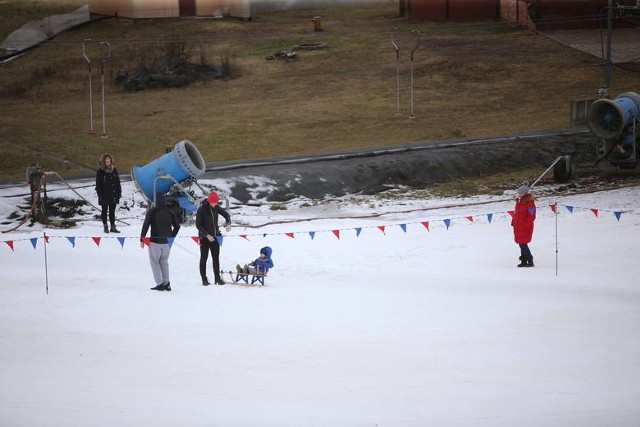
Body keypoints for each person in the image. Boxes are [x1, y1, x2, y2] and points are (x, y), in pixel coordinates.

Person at [140, 193, 181, 292]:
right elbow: (177, 226)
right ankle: (167, 283)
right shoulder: (170, 211)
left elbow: (146, 225)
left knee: (155, 263)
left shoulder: (152, 211)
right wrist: (171, 237)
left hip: (155, 241)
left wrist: (142, 238)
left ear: (155, 201)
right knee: (164, 262)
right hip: (167, 243)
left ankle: (159, 283)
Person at [196, 191, 231, 286]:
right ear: (209, 201)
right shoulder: (202, 209)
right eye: (214, 202)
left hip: (215, 236)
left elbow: (226, 215)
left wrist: (228, 223)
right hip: (204, 237)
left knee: (216, 258)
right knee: (204, 258)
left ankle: (217, 278)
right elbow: (198, 225)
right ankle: (204, 279)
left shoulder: (216, 207)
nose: (216, 204)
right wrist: (207, 235)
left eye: (217, 202)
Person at [95, 153, 122, 234]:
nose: (108, 162)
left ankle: (113, 226)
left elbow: (117, 182)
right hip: (104, 194)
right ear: (103, 162)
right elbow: (98, 185)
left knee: (112, 211)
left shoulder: (114, 170)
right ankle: (105, 226)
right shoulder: (100, 172)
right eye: (106, 161)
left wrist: (119, 192)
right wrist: (100, 195)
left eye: (109, 160)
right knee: (104, 211)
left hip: (113, 194)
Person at [511, 181, 536, 267]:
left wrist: (527, 225)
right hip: (518, 227)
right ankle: (524, 261)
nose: (519, 194)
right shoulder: (519, 203)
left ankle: (530, 260)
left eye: (520, 193)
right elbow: (516, 214)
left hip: (525, 228)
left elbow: (532, 216)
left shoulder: (530, 203)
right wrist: (513, 221)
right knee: (521, 244)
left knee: (523, 244)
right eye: (519, 192)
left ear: (525, 193)